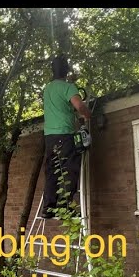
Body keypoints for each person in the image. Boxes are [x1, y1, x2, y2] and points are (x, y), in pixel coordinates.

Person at [41, 55, 92, 218]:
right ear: (66, 70)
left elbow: (60, 108)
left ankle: (48, 208)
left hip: (50, 137)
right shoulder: (68, 87)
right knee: (69, 170)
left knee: (52, 171)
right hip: (64, 134)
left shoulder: (48, 89)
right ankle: (64, 208)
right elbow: (79, 105)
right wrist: (87, 115)